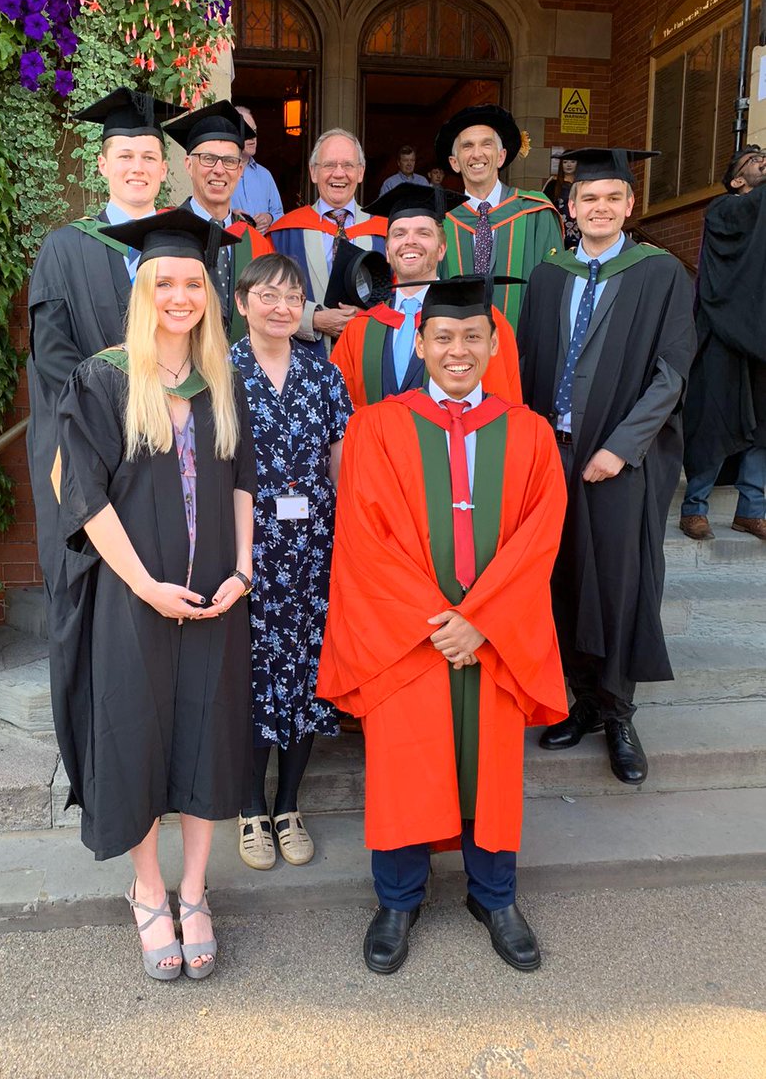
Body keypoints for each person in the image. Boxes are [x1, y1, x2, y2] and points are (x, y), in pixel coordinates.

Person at [318, 278, 567, 976]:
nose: (458, 350)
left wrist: (483, 622)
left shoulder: (530, 433)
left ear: (493, 345)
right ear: (421, 344)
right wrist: (440, 622)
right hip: (409, 637)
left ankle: (496, 897)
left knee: (493, 768)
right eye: (444, 337)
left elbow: (539, 539)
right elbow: (364, 541)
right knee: (404, 764)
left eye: (473, 337)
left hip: (493, 638)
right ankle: (397, 899)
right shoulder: (376, 427)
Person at [48, 208, 256, 982]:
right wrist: (144, 586)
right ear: (142, 290)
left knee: (207, 738)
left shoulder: (218, 380)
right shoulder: (103, 378)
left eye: (192, 282)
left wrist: (242, 571)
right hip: (132, 602)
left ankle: (195, 893)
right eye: (164, 281)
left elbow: (242, 480)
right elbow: (86, 498)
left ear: (209, 291)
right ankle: (146, 891)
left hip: (215, 600)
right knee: (135, 741)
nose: (179, 294)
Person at [518, 147, 696, 786]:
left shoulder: (661, 273)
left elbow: (673, 372)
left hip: (619, 459)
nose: (600, 208)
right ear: (570, 208)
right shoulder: (548, 276)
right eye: (588, 198)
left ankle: (619, 711)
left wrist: (622, 446)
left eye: (612, 199)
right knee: (560, 578)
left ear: (628, 205)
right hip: (551, 452)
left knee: (619, 582)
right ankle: (577, 699)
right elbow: (529, 366)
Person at [230, 254, 353, 870]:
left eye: (292, 297)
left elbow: (339, 458)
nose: (281, 308)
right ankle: (250, 809)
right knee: (251, 677)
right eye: (268, 296)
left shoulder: (322, 374)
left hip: (312, 553)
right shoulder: (220, 373)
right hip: (245, 549)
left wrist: (351, 538)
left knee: (305, 675)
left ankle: (288, 805)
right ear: (242, 302)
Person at [26, 87, 176, 588]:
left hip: (170, 438)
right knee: (91, 581)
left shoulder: (182, 249)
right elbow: (51, 353)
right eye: (126, 155)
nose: (138, 167)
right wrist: (115, 407)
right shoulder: (65, 247)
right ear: (102, 165)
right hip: (89, 438)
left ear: (163, 168)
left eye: (149, 156)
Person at [331, 183, 522, 408]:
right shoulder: (359, 330)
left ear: (441, 249)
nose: (410, 241)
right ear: (388, 251)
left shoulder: (480, 320)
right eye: (399, 234)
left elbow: (499, 412)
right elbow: (338, 417)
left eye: (423, 233)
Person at [678, 145, 766, 542]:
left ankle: (751, 511)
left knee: (763, 426)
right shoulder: (725, 209)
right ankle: (694, 507)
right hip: (723, 335)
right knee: (716, 421)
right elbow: (750, 213)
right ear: (736, 180)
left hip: (761, 335)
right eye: (753, 160)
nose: (763, 160)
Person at [437, 104, 562, 331]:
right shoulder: (441, 221)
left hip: (522, 353)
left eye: (487, 144)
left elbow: (554, 293)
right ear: (454, 163)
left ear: (501, 156)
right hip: (456, 354)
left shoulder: (536, 214)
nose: (477, 154)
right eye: (467, 146)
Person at [268, 128, 387, 354]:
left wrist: (366, 319)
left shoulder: (386, 233)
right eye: (329, 165)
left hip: (367, 358)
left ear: (361, 172)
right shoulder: (283, 233)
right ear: (314, 172)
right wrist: (313, 318)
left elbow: (399, 297)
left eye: (348, 165)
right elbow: (265, 297)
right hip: (301, 361)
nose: (339, 174)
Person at [164, 100, 272, 341]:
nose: (219, 170)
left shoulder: (256, 243)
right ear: (188, 165)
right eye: (208, 158)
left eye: (230, 161)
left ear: (241, 169)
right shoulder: (166, 230)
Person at [233, 105, 284, 233]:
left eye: (254, 131)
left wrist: (270, 218)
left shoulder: (265, 175)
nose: (253, 137)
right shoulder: (220, 173)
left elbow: (280, 214)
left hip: (263, 249)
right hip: (231, 248)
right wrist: (229, 217)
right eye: (247, 132)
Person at [543, 155, 580, 250]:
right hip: (558, 228)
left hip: (579, 228)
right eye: (565, 162)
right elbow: (545, 206)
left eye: (572, 161)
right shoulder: (553, 183)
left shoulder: (582, 184)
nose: (568, 165)